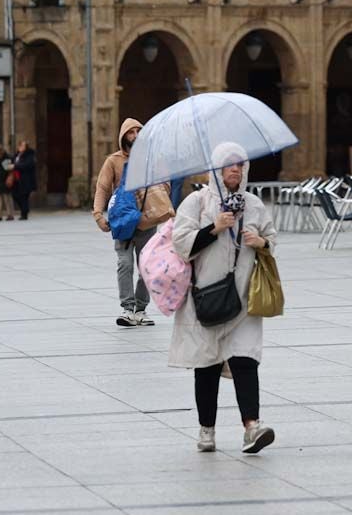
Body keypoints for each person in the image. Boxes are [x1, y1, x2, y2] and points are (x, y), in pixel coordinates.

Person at [170, 142, 278, 455]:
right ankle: (207, 430)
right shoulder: (197, 201)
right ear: (216, 169)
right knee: (207, 365)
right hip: (206, 298)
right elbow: (181, 242)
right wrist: (214, 227)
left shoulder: (254, 205)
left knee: (246, 360)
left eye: (240, 164)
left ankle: (252, 428)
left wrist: (261, 242)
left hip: (244, 300)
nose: (235, 169)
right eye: (229, 164)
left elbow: (272, 240)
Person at [93, 118, 175, 327]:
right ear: (123, 136)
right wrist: (98, 215)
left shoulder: (153, 159)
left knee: (146, 266)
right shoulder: (113, 160)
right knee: (124, 263)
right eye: (131, 132)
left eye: (139, 131)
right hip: (122, 222)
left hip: (147, 222)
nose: (136, 135)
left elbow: (165, 185)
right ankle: (127, 308)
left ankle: (141, 308)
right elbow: (102, 188)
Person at [12, 141, 37, 220]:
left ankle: (24, 214)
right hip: (17, 178)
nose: (20, 147)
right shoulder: (17, 155)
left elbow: (27, 165)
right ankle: (25, 209)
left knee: (24, 197)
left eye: (23, 146)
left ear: (26, 147)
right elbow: (13, 162)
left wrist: (15, 166)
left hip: (26, 179)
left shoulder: (29, 155)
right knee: (15, 195)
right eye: (20, 145)